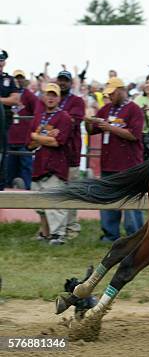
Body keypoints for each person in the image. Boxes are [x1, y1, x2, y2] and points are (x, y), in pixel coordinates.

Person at [85, 77, 144, 241]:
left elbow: (134, 135)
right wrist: (88, 122)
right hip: (108, 164)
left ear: (121, 91)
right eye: (108, 93)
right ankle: (110, 235)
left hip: (129, 164)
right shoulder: (106, 109)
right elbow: (92, 131)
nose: (109, 96)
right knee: (107, 201)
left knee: (131, 202)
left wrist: (110, 128)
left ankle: (136, 235)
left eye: (112, 93)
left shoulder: (134, 109)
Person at [27, 83, 72, 245]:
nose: (51, 98)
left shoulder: (64, 117)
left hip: (56, 165)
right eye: (48, 95)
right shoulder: (39, 116)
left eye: (54, 95)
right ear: (44, 97)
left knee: (55, 202)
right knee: (39, 203)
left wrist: (37, 136)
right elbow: (29, 143)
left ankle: (58, 235)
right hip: (39, 164)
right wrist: (43, 138)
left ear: (59, 98)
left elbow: (58, 142)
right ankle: (45, 233)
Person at [56, 70, 85, 239]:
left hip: (70, 154)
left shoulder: (77, 101)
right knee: (53, 191)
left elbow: (73, 122)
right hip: (52, 155)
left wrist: (56, 120)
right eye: (60, 80)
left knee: (71, 191)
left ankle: (72, 228)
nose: (62, 83)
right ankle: (54, 228)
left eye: (65, 80)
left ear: (70, 83)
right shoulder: (51, 97)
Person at [6, 70, 40, 189]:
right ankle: (6, 198)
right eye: (16, 78)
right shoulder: (8, 94)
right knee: (8, 170)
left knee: (26, 169)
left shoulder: (29, 95)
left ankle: (27, 194)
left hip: (24, 140)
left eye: (21, 78)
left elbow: (38, 111)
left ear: (24, 79)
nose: (18, 80)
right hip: (10, 139)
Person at [0, 49, 20, 190]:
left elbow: (15, 99)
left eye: (1, 60)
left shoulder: (9, 80)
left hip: (3, 124)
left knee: (2, 154)